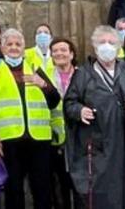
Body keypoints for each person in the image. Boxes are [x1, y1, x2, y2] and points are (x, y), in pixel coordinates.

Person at [63, 25, 125, 209]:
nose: (107, 46)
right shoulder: (83, 74)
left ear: (118, 47)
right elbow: (69, 103)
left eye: (111, 42)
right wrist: (79, 111)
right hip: (97, 145)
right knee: (101, 194)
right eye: (102, 42)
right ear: (94, 46)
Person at [0, 28, 62, 209]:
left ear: (24, 46)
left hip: (39, 139)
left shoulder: (34, 67)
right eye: (9, 44)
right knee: (13, 189)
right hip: (9, 139)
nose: (14, 48)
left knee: (42, 188)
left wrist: (43, 84)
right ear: (2, 47)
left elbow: (55, 100)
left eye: (18, 44)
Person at [48, 38, 80, 209]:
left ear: (72, 53)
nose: (59, 54)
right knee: (60, 183)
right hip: (56, 139)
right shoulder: (45, 76)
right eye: (55, 51)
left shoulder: (82, 75)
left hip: (79, 137)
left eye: (63, 50)